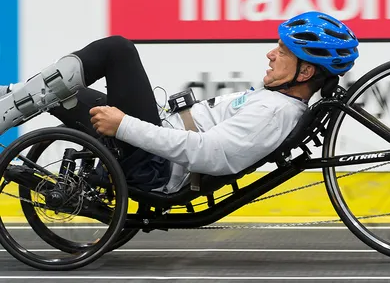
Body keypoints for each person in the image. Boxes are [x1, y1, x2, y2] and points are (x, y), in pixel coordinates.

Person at [0, 11, 359, 194]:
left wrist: (123, 125)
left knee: (118, 50)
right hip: (156, 145)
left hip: (153, 165)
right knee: (58, 94)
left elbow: (209, 154)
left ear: (306, 70)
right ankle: (7, 96)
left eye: (281, 52)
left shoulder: (275, 113)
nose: (270, 54)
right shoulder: (277, 101)